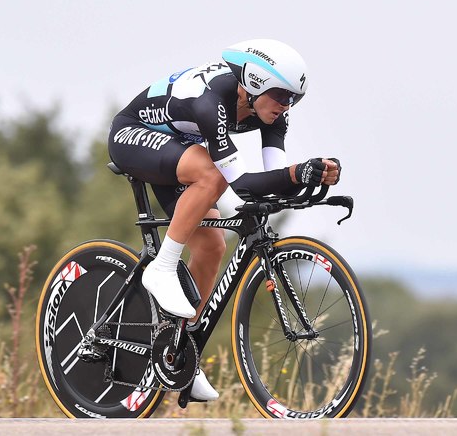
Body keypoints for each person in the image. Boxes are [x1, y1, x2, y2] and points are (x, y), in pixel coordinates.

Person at [107, 39, 341, 401]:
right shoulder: (212, 101)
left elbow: (271, 181)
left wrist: (310, 177)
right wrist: (296, 174)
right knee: (211, 172)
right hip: (133, 135)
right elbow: (242, 183)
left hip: (176, 145)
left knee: (212, 246)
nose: (285, 105)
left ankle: (179, 348)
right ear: (254, 82)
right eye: (280, 94)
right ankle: (163, 267)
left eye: (293, 98)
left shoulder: (272, 114)